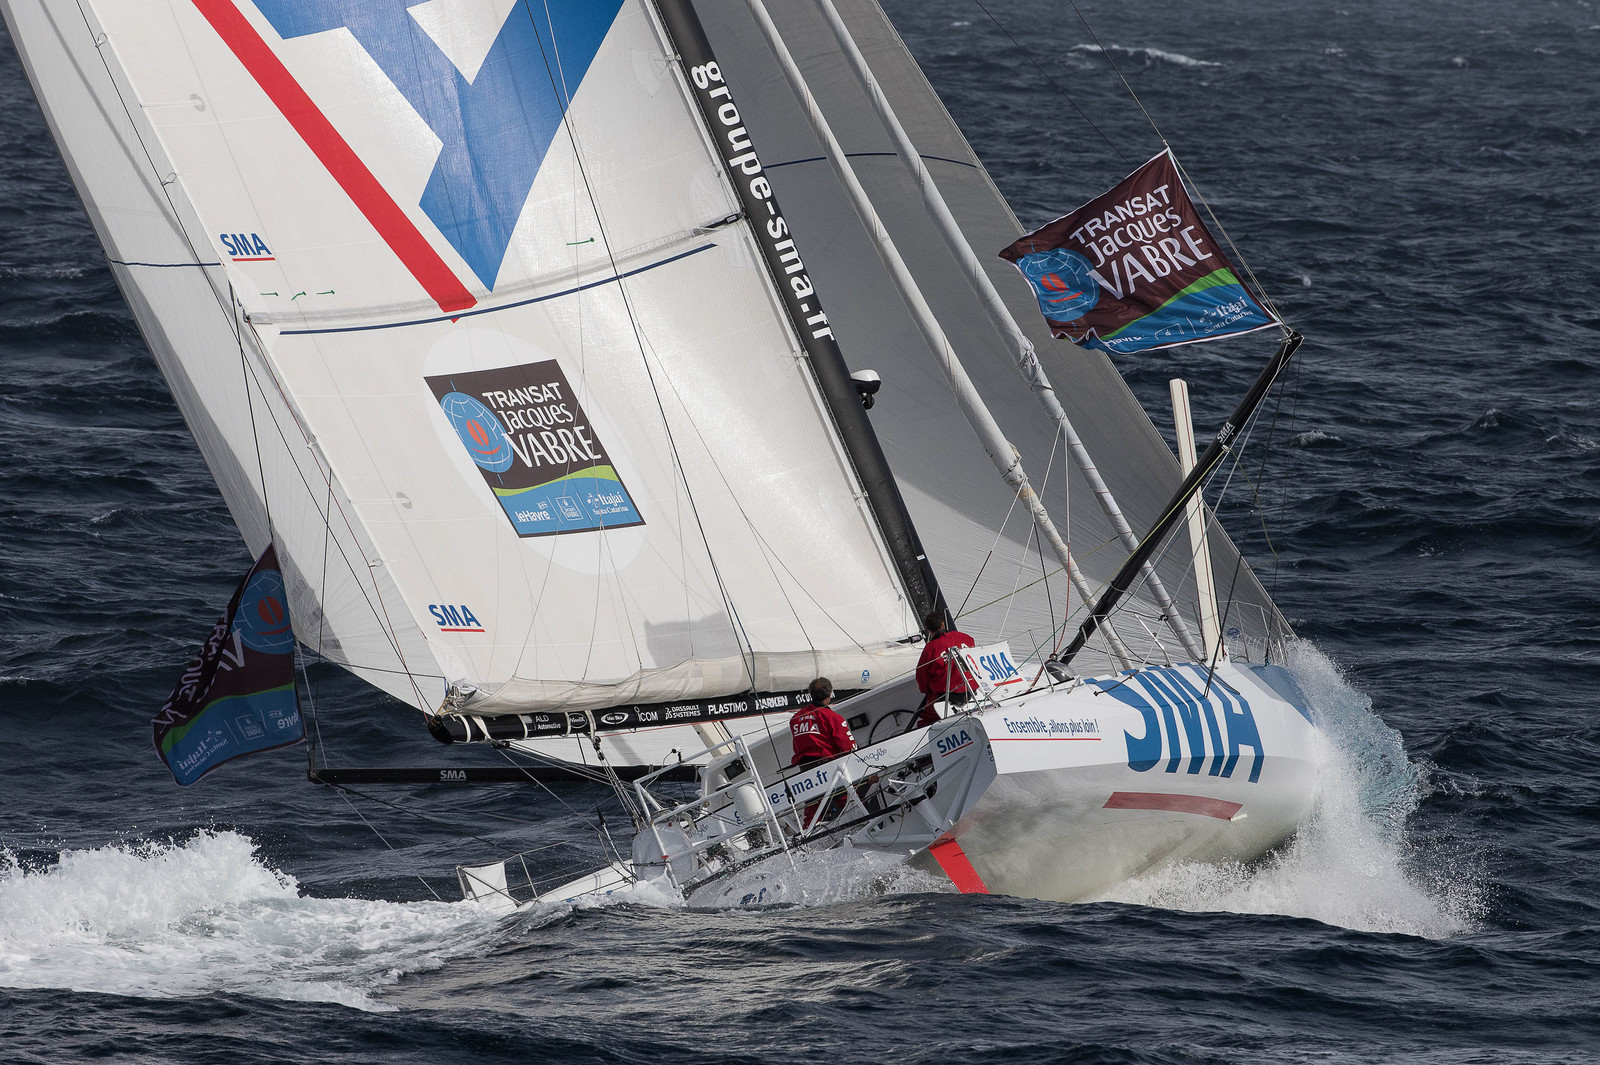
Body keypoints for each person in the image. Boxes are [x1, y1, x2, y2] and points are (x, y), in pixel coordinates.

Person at [914, 610, 975, 728]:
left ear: (927, 629)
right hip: (972, 690)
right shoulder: (966, 638)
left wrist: (926, 690)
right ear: (943, 624)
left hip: (946, 696)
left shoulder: (930, 648)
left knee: (926, 720)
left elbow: (922, 676)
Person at [789, 677, 856, 767]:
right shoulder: (833, 718)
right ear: (829, 695)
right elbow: (848, 747)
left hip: (804, 768)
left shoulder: (795, 719)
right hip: (828, 766)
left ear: (811, 694)